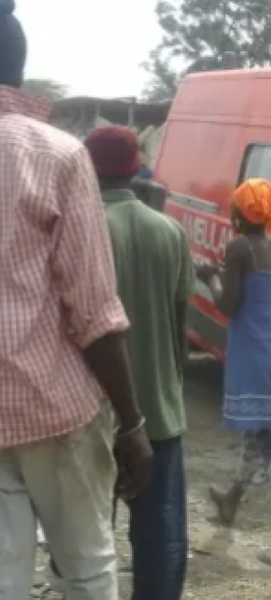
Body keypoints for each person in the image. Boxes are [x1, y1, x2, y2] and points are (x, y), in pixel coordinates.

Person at [0, 2, 153, 598]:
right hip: (55, 411)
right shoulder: (58, 155)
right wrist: (133, 422)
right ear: (19, 68)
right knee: (87, 570)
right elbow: (94, 313)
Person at [84, 126, 194, 600]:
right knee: (160, 539)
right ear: (135, 170)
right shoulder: (169, 232)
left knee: (88, 541)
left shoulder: (80, 233)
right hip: (159, 415)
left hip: (91, 414)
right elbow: (179, 329)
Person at [195, 178, 271, 572]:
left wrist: (209, 276)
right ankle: (232, 500)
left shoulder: (239, 248)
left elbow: (228, 305)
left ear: (242, 213)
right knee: (259, 431)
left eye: (235, 209)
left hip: (258, 354)